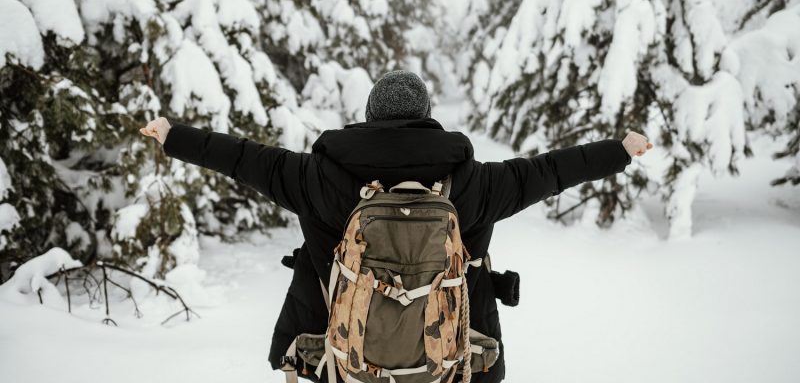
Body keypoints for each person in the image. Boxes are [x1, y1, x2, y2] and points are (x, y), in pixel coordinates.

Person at [140, 70, 652, 382]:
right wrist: (618, 152)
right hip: (452, 356)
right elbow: (551, 170)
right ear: (427, 118)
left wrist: (174, 136)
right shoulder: (472, 182)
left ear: (368, 117)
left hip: (337, 353)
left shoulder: (315, 175)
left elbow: (241, 157)